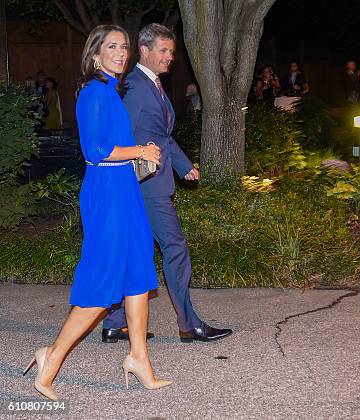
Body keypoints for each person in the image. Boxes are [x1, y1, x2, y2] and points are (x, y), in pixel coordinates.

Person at [22, 24, 170, 401]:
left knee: (138, 271)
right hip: (107, 195)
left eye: (124, 46)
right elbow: (96, 150)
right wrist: (139, 151)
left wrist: (141, 150)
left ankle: (139, 358)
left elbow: (115, 146)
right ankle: (50, 358)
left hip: (125, 191)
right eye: (112, 46)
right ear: (94, 55)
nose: (121, 52)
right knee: (103, 282)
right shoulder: (92, 94)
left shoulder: (111, 93)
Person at [102, 23, 232, 344]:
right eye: (163, 50)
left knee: (137, 252)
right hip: (145, 185)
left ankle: (115, 322)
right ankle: (188, 324)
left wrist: (184, 166)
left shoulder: (152, 85)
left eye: (172, 52)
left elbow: (160, 135)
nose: (169, 57)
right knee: (175, 248)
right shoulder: (134, 86)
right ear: (144, 50)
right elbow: (124, 136)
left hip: (151, 181)